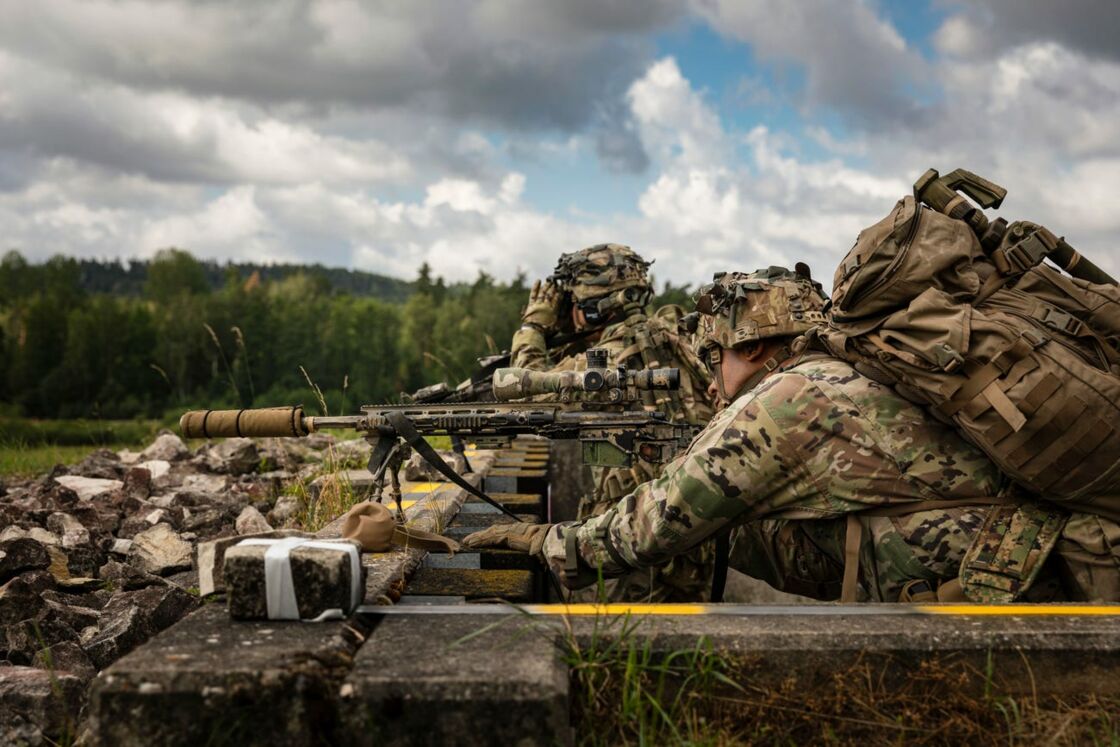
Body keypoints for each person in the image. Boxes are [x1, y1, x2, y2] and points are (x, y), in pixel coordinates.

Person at [466, 266, 1120, 603]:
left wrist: (550, 542)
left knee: (711, 521)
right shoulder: (841, 373)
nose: (711, 370)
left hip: (1011, 588)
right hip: (1024, 556)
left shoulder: (787, 402)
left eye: (715, 352)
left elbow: (654, 522)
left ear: (754, 346)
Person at [512, 243, 716, 601]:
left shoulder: (600, 366)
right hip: (699, 540)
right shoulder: (682, 339)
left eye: (574, 305)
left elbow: (521, 387)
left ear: (591, 311)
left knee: (626, 646)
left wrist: (534, 325)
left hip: (626, 544)